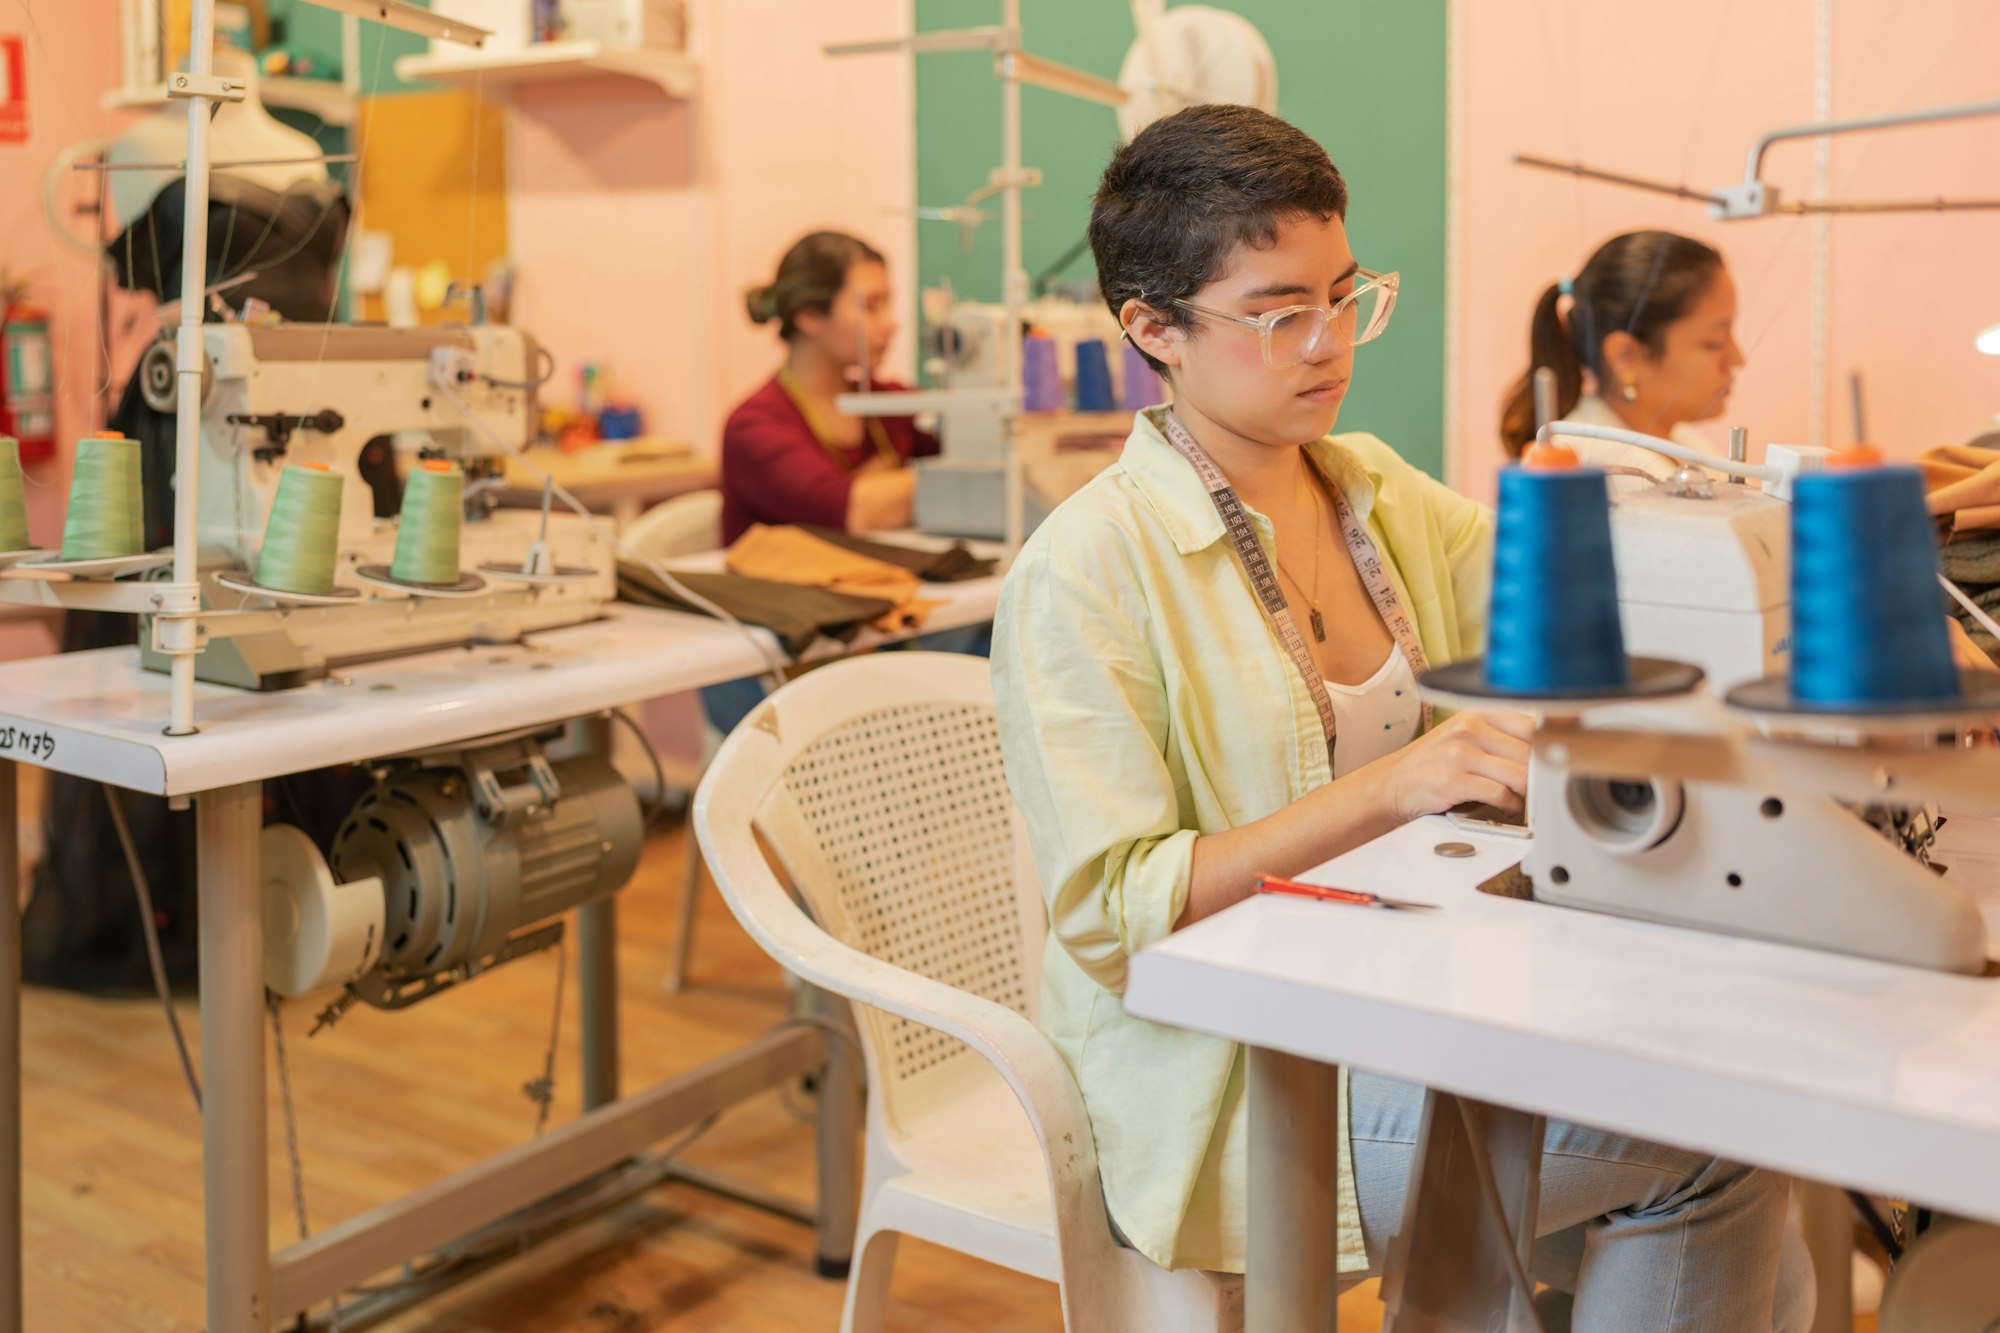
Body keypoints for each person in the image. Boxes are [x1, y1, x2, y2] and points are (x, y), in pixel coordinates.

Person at [991, 105, 1811, 1329]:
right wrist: (1394, 783)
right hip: (1245, 1068)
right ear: (1150, 328)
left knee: (1740, 1070)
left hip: (1415, 981)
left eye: (1343, 293)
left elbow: (1576, 607)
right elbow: (1118, 913)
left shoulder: (1373, 491)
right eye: (1276, 314)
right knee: (1714, 1140)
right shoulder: (1086, 572)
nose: (1328, 343)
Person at [720, 231, 937, 544]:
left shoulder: (889, 401)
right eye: (871, 306)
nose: (891, 323)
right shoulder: (753, 427)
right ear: (809, 315)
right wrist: (960, 480)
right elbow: (852, 511)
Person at [1501, 231, 1745, 490]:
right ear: (1626, 356)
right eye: (1714, 342)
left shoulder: (1686, 443)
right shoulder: (1586, 470)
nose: (1738, 359)